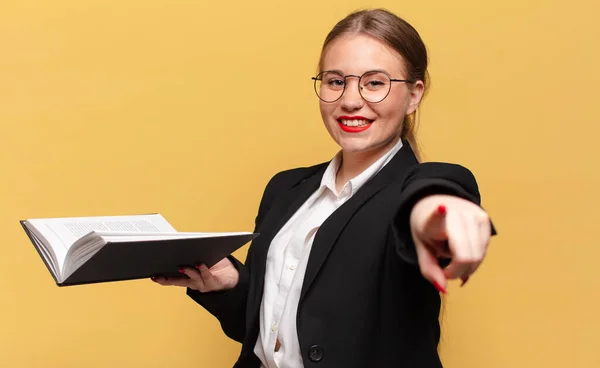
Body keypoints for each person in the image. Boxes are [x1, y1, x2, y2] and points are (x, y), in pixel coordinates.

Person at [152, 8, 497, 368]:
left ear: (414, 95)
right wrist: (231, 284)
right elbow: (276, 333)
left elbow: (435, 194)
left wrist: (436, 212)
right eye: (335, 81)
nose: (350, 100)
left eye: (374, 83)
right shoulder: (286, 189)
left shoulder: (415, 190)